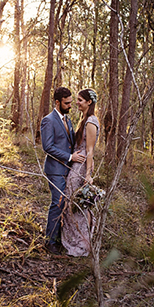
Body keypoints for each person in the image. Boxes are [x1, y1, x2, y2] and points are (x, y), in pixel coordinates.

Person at [41, 87, 86, 255]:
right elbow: (48, 147)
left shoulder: (68, 120)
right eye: (66, 103)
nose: (70, 105)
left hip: (68, 170)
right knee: (57, 202)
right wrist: (70, 157)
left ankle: (60, 237)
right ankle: (49, 242)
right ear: (57, 102)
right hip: (55, 170)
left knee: (66, 204)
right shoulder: (48, 120)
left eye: (70, 102)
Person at [61, 89, 100, 257]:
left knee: (76, 203)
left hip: (82, 167)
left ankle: (82, 242)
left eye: (80, 100)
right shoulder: (83, 119)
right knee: (72, 201)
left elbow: (90, 150)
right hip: (75, 164)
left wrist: (88, 175)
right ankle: (74, 238)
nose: (77, 103)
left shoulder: (91, 121)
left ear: (89, 102)